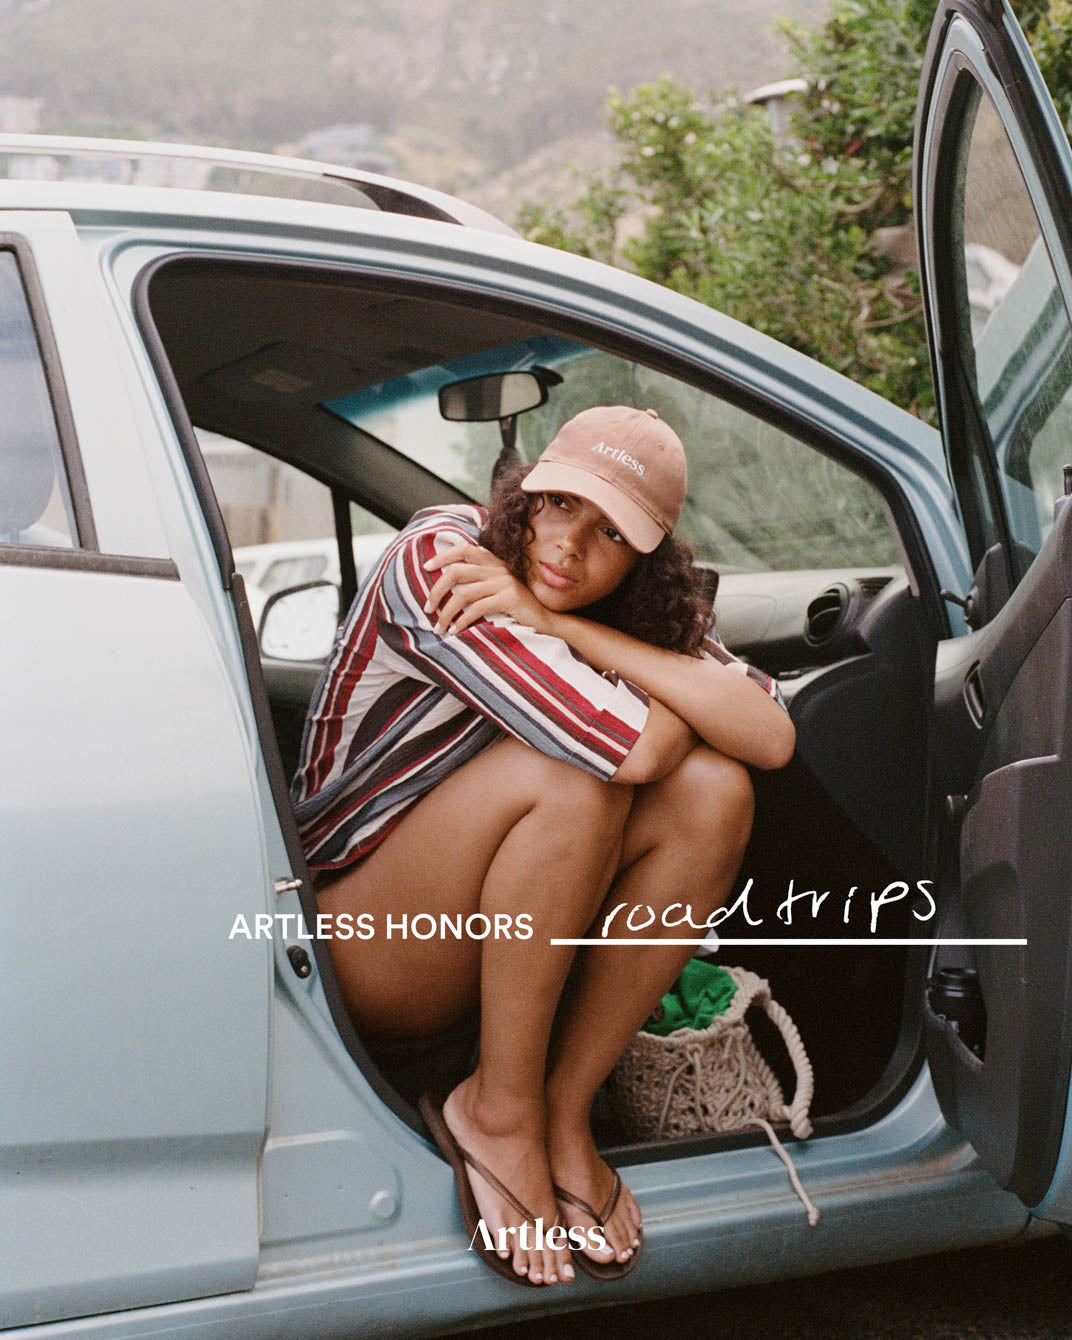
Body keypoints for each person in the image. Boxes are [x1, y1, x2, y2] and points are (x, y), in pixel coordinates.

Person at [291, 405, 795, 1288]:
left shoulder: (609, 603)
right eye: (560, 507)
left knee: (716, 793)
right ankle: (497, 1111)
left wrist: (566, 625)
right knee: (579, 774)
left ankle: (561, 1115)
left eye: (610, 532)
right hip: (358, 946)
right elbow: (634, 748)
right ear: (525, 495)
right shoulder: (440, 559)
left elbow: (769, 734)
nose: (569, 546)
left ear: (647, 555)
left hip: (490, 930)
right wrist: (632, 671)